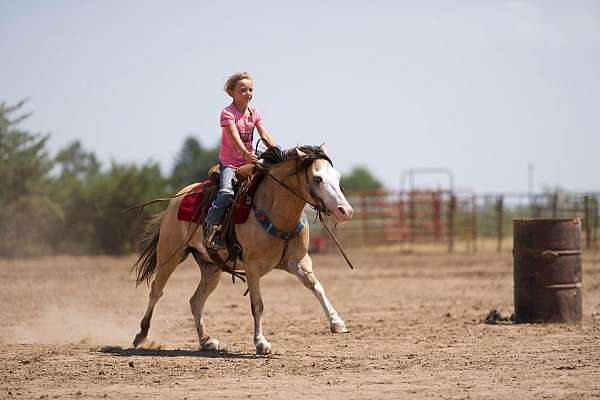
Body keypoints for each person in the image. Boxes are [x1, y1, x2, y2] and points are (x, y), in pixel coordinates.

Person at [204, 72, 276, 250]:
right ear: (231, 92)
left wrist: (276, 150)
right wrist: (245, 153)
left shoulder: (255, 112)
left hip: (250, 160)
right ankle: (210, 226)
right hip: (231, 163)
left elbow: (264, 134)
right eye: (243, 90)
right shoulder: (227, 113)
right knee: (227, 192)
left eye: (250, 89)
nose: (248, 93)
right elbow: (234, 136)